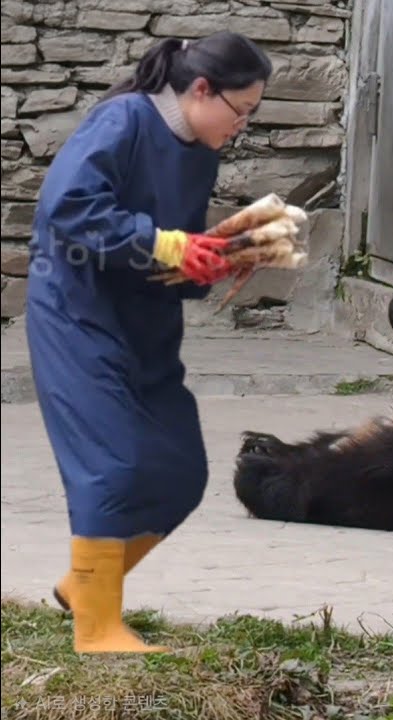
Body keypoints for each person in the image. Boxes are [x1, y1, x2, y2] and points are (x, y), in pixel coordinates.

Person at [24, 31, 273, 654]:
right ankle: (97, 628)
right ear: (200, 89)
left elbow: (171, 246)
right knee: (115, 464)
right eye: (241, 111)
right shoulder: (123, 120)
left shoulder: (199, 150)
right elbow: (68, 207)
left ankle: (85, 586)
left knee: (178, 470)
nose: (242, 127)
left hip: (148, 321)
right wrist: (169, 245)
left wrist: (209, 260)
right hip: (77, 314)